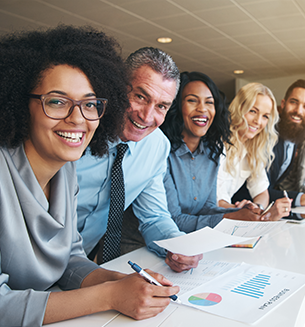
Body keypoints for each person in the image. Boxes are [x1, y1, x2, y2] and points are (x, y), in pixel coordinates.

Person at [0, 26, 179, 326]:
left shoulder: (64, 170)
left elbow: (68, 258)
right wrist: (108, 296)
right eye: (56, 101)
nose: (77, 118)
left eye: (89, 104)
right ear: (20, 102)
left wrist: (118, 282)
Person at [77, 47, 202, 272]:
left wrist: (177, 245)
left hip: (78, 266)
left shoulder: (157, 146)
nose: (146, 116)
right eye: (140, 97)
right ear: (118, 87)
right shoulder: (77, 131)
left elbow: (154, 217)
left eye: (161, 106)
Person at [160, 72, 266, 233]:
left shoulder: (212, 153)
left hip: (191, 241)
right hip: (147, 245)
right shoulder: (163, 153)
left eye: (209, 102)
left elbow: (207, 207)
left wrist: (245, 213)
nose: (202, 108)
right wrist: (229, 218)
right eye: (192, 100)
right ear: (177, 106)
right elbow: (173, 219)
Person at [232, 79, 305, 208]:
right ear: (283, 104)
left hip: (259, 209)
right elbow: (256, 190)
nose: (298, 111)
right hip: (236, 206)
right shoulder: (262, 136)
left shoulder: (295, 138)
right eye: (294, 102)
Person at [217, 83, 292, 220]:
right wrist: (241, 209)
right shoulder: (218, 144)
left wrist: (258, 207)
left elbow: (262, 193)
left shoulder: (253, 149)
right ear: (240, 108)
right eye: (253, 111)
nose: (258, 121)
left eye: (265, 116)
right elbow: (213, 201)